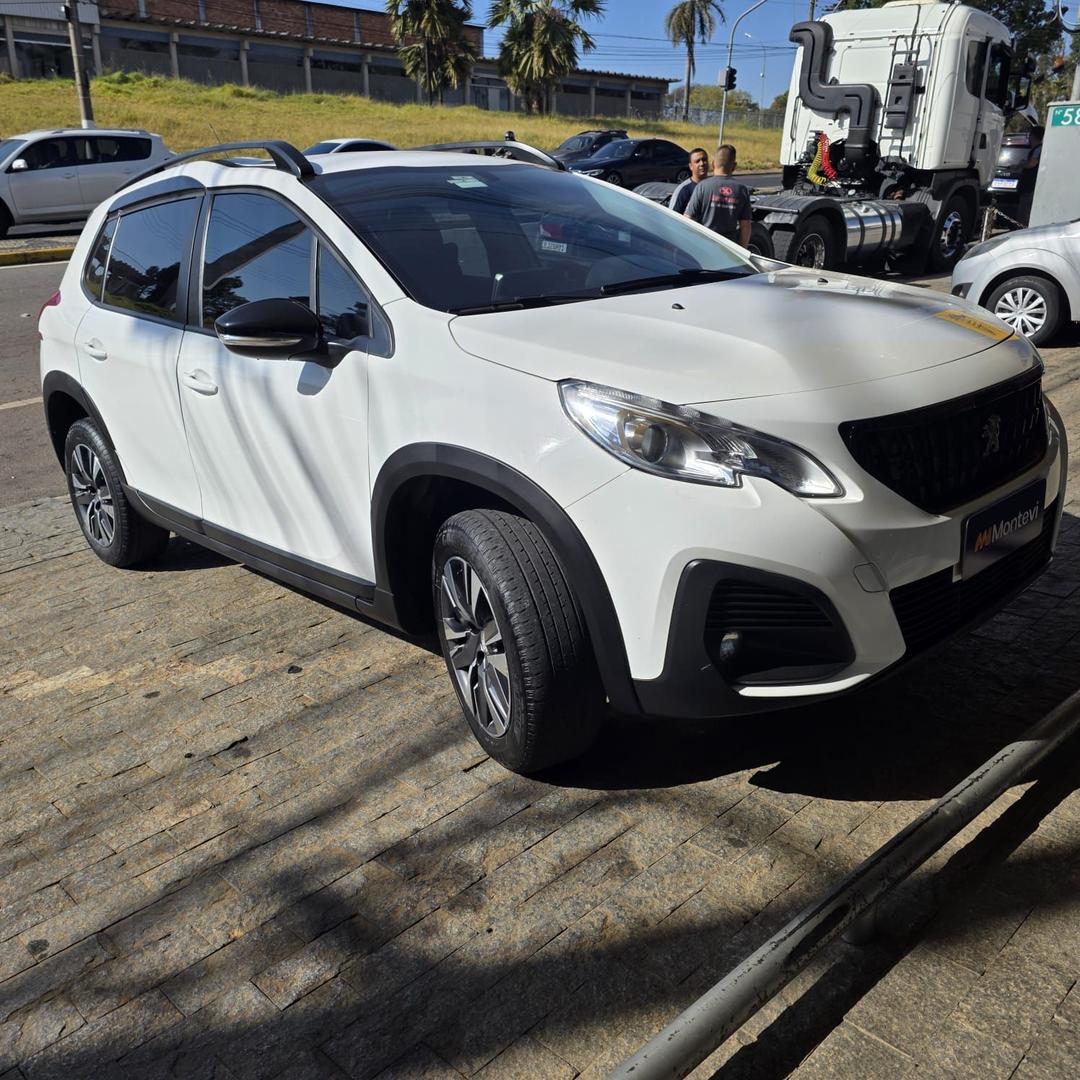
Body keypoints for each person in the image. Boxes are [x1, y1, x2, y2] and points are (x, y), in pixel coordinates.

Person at [683, 144, 753, 247]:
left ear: (713, 164)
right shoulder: (742, 190)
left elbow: (688, 219)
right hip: (729, 247)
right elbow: (745, 225)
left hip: (704, 245)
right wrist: (743, 249)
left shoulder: (702, 186)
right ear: (734, 166)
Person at [669, 147, 710, 215]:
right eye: (697, 161)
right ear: (691, 166)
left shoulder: (713, 187)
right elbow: (672, 217)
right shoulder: (684, 190)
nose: (702, 163)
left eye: (704, 159)